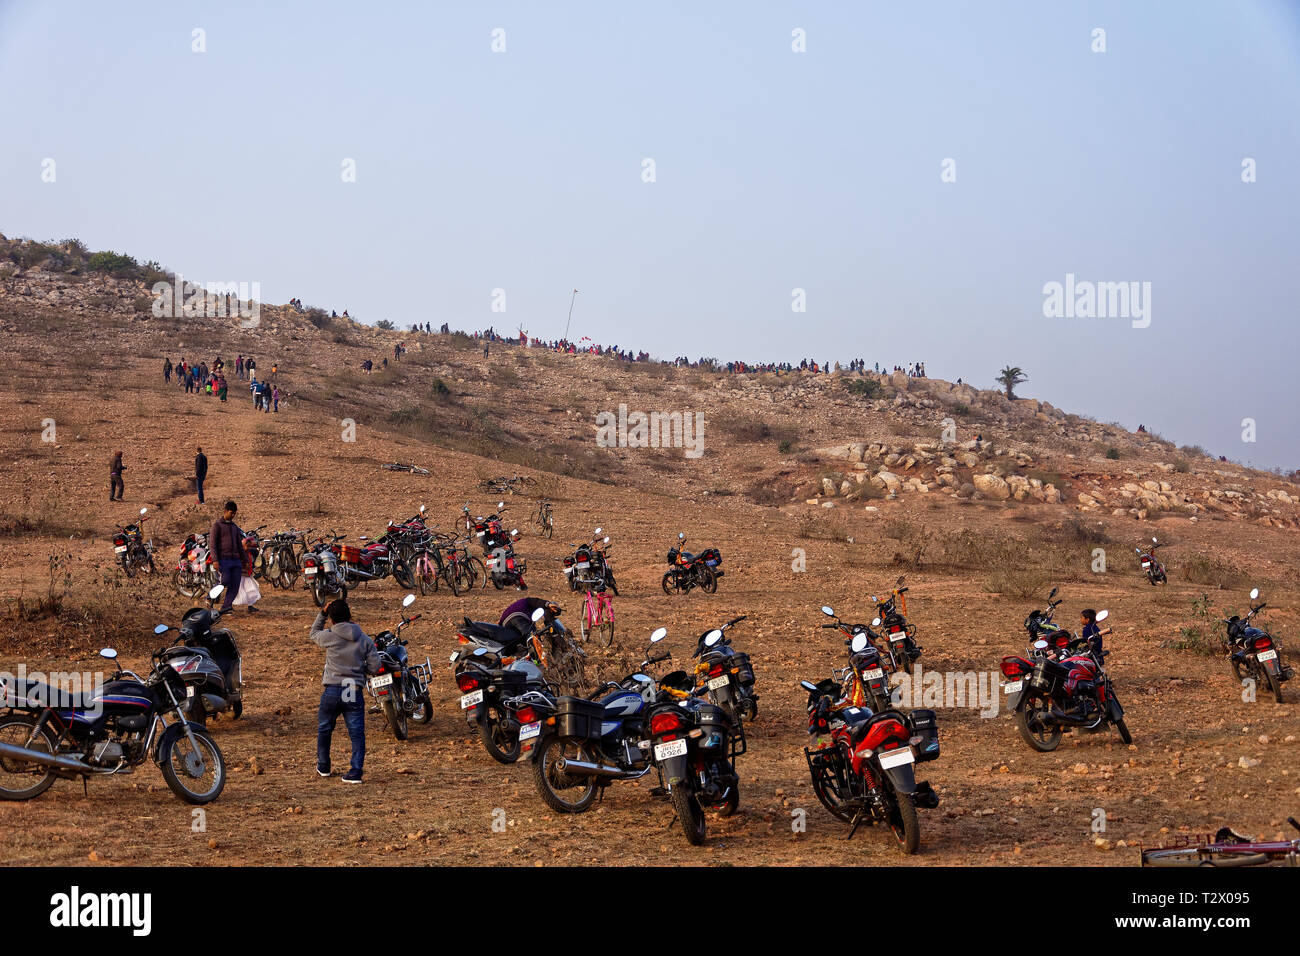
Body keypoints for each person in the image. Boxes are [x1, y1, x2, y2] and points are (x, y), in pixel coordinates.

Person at [310, 599, 380, 783]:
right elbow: (375, 666)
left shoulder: (329, 635)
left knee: (325, 728)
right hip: (352, 687)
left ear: (332, 619)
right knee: (356, 732)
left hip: (333, 688)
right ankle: (356, 771)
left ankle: (323, 766)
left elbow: (313, 633)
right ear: (350, 615)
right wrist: (360, 671)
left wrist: (322, 614)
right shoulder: (363, 638)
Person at [210, 501, 245, 613]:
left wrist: (245, 560)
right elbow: (212, 544)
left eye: (234, 513)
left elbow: (240, 545)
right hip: (223, 560)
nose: (233, 515)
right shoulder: (217, 526)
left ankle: (226, 606)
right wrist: (215, 560)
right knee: (225, 580)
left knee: (235, 584)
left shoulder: (235, 527)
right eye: (231, 513)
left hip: (236, 560)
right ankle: (209, 597)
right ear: (225, 511)